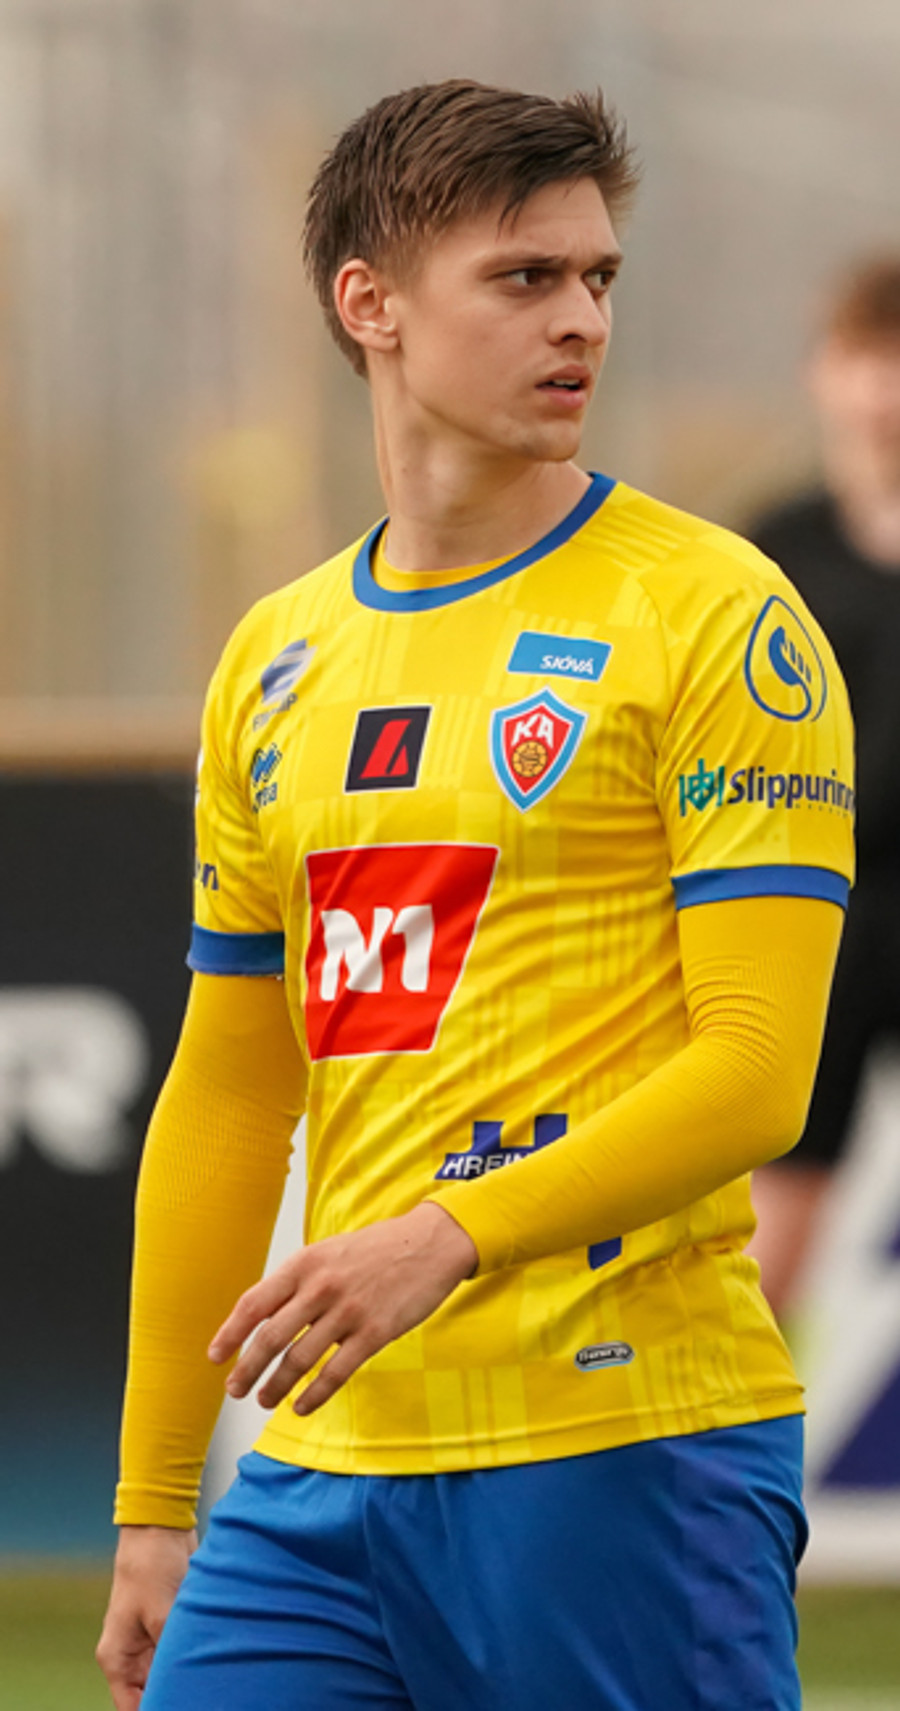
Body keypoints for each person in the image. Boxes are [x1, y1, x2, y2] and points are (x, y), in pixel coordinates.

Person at [97, 80, 854, 1711]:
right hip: (316, 1481)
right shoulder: (277, 659)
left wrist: (445, 1236)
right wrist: (157, 1497)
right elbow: (231, 1090)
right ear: (369, 304)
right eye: (525, 277)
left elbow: (755, 1069)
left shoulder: (718, 615)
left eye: (597, 278)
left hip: (624, 1450)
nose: (581, 318)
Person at [748, 259, 900, 1318]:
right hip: (820, 918)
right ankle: (739, 1421)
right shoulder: (771, 553)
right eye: (866, 357)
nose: (885, 390)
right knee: (770, 1225)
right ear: (825, 372)